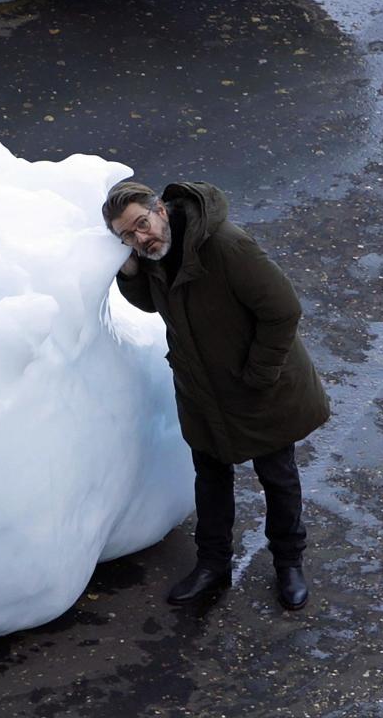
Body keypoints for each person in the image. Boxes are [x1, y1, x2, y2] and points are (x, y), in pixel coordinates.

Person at [102, 180, 330, 611]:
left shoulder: (227, 246)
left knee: (277, 477)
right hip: (202, 388)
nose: (140, 238)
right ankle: (212, 566)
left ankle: (288, 564)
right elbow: (155, 305)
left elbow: (283, 309)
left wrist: (259, 374)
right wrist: (130, 274)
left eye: (142, 224)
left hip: (258, 384)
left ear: (161, 209)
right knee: (210, 479)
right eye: (127, 236)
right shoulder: (154, 255)